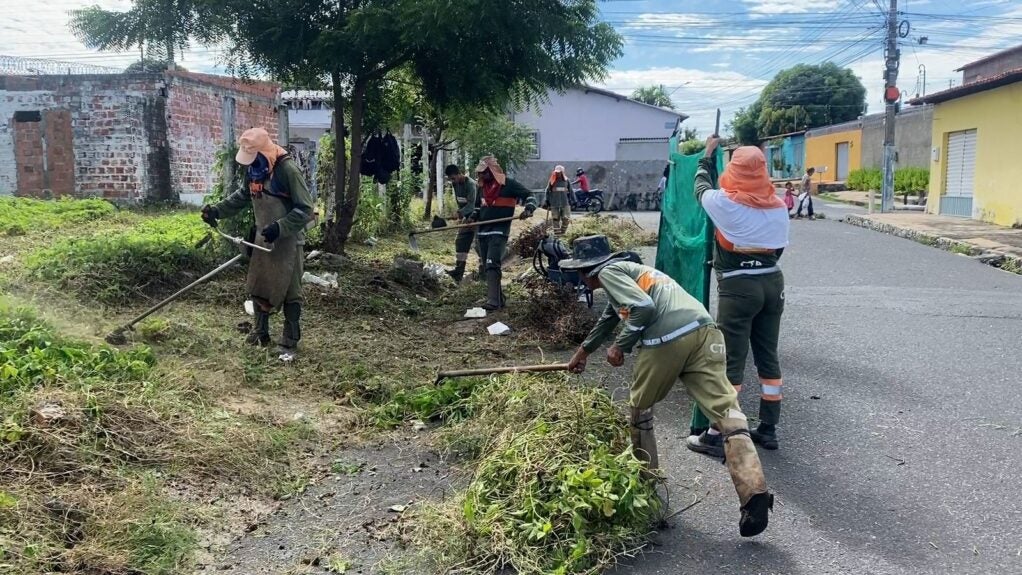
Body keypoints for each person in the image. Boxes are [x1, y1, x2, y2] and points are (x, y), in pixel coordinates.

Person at [563, 235, 773, 538]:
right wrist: (583, 352)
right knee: (728, 413)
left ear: (586, 271)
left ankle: (646, 486)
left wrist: (620, 346)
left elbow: (643, 309)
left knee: (639, 407)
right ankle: (754, 492)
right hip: (703, 331)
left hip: (668, 339)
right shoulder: (629, 273)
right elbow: (610, 318)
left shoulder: (608, 273)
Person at [686, 137, 790, 456]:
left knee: (729, 362)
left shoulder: (724, 203)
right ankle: (768, 428)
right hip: (773, 285)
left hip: (738, 287)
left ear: (734, 171)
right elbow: (777, 251)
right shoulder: (779, 208)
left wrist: (706, 155)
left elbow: (700, 187)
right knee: (767, 357)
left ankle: (719, 432)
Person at [201, 127, 314, 361]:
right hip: (263, 237)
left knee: (290, 290)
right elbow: (242, 196)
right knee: (259, 284)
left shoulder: (287, 170)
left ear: (264, 152)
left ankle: (290, 339)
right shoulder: (254, 169)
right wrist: (217, 211)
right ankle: (261, 332)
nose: (250, 163)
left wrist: (280, 227)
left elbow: (306, 209)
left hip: (289, 240)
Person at [471, 156, 536, 310]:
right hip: (482, 232)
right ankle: (499, 298)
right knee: (487, 266)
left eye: (484, 173)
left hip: (499, 231)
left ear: (492, 172)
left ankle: (493, 302)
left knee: (492, 263)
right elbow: (478, 208)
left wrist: (529, 208)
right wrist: (472, 217)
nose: (480, 177)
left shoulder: (509, 185)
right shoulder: (481, 187)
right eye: (479, 174)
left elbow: (530, 195)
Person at [444, 164, 478, 283]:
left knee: (480, 245)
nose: (453, 181)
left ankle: (483, 273)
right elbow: (460, 201)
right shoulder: (455, 184)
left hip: (479, 215)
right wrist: (461, 214)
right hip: (467, 216)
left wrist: (460, 213)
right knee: (461, 240)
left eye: (453, 178)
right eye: (450, 179)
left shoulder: (471, 185)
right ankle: (458, 272)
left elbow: (472, 205)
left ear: (460, 174)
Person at [545, 165, 572, 235]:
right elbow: (547, 190)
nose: (557, 174)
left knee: (566, 219)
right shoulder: (552, 180)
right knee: (555, 219)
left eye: (559, 172)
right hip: (554, 202)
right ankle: (557, 235)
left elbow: (571, 191)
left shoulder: (566, 180)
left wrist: (574, 200)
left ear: (562, 172)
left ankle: (563, 233)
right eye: (556, 172)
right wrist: (547, 200)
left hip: (564, 202)